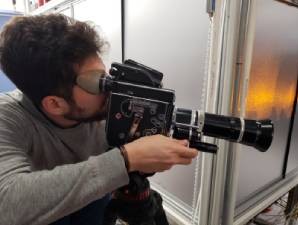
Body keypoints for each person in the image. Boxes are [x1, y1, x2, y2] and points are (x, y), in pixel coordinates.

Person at [0, 14, 198, 225]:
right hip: (41, 210)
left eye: (106, 75)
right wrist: (125, 159)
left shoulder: (101, 107)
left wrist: (145, 160)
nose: (112, 91)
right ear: (55, 104)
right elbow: (7, 204)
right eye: (98, 83)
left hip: (91, 198)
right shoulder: (8, 117)